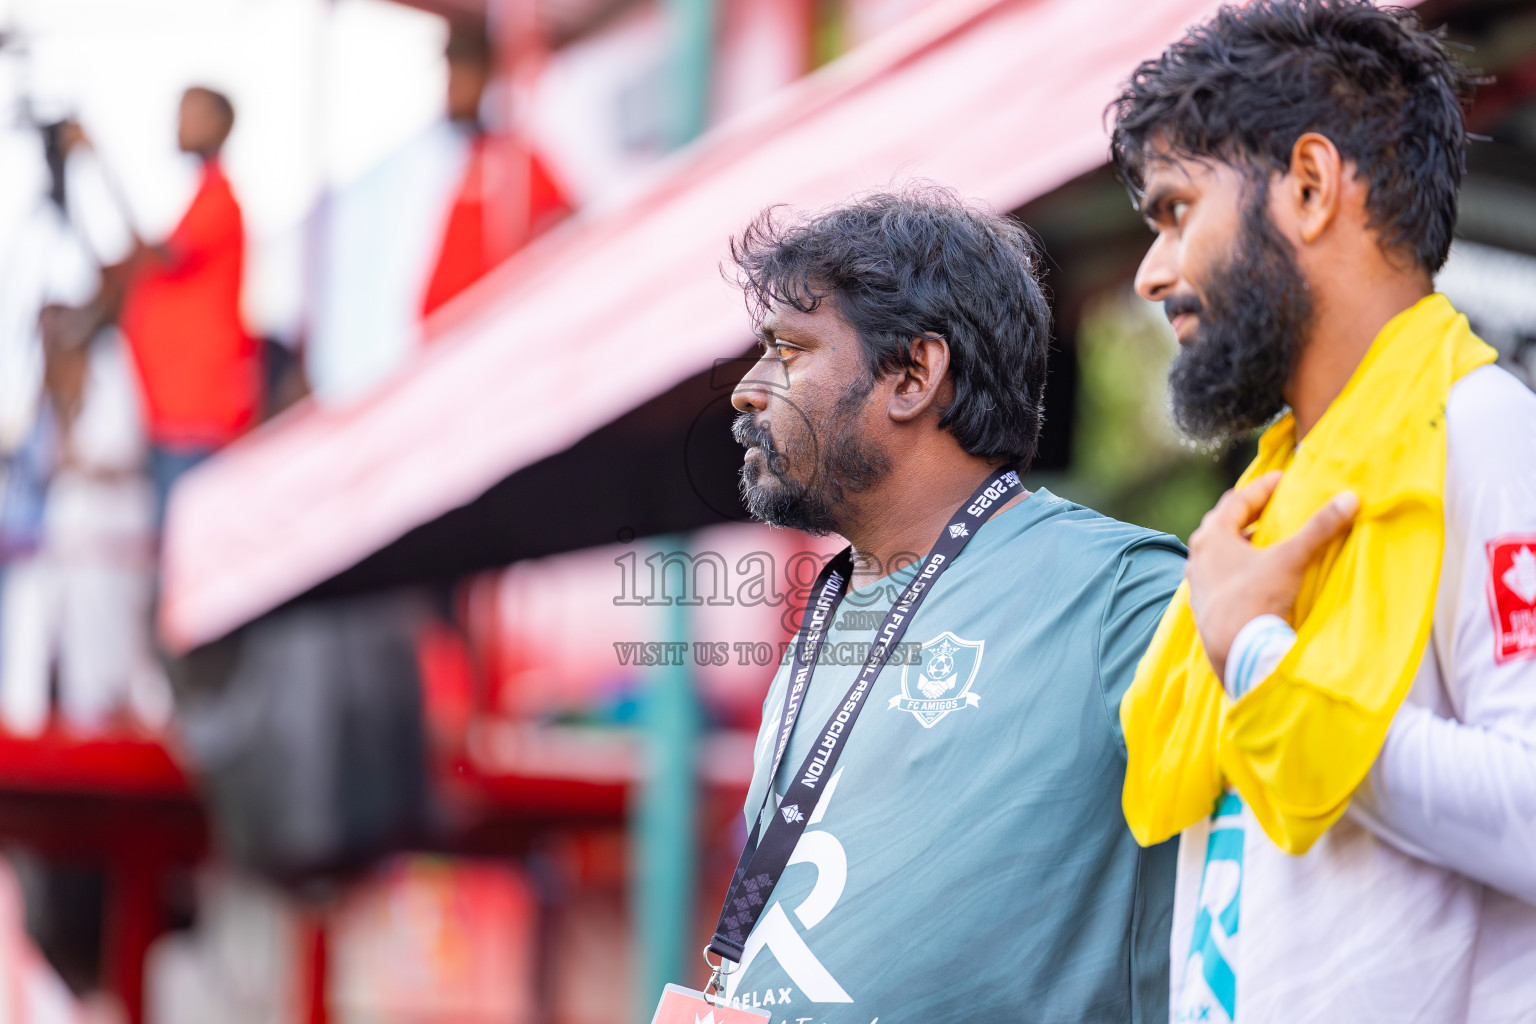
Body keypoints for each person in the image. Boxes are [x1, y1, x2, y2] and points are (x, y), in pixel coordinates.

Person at [1110, 2, 1536, 1021]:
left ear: (1309, 185)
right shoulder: (1271, 497)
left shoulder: (1480, 428)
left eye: (1175, 211)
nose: (1150, 272)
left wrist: (1255, 654)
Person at [712, 186, 1185, 1023]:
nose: (749, 390)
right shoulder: (822, 623)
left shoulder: (1122, 595)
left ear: (913, 375)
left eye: (789, 351)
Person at [118, 86, 258, 527]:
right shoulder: (200, 202)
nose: (179, 124)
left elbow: (158, 255)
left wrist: (96, 159)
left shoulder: (220, 203)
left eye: (191, 113)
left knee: (187, 550)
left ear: (218, 125)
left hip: (197, 414)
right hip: (171, 413)